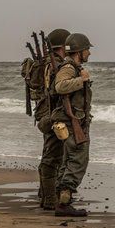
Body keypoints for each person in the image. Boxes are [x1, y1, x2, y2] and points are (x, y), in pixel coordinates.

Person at [51, 33, 93, 217]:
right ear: (79, 51)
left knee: (68, 160)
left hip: (74, 120)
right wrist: (81, 80)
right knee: (77, 161)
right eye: (87, 49)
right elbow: (60, 87)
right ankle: (64, 203)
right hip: (72, 121)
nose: (89, 53)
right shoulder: (69, 68)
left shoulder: (73, 66)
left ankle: (62, 200)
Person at [36, 29, 70, 210]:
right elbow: (56, 91)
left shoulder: (46, 63)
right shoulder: (55, 65)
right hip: (52, 115)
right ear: (62, 46)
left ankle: (45, 195)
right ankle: (50, 200)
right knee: (52, 158)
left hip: (44, 114)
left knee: (50, 155)